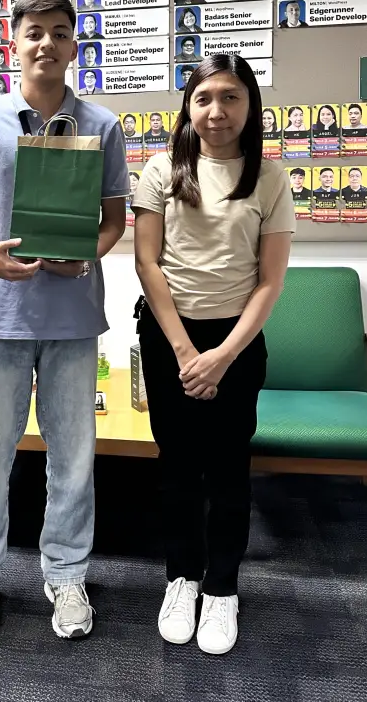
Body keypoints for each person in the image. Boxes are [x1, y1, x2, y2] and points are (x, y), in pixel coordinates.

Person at [0, 0, 128, 648]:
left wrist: (86, 257)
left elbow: (114, 221)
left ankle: (67, 574)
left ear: (73, 45)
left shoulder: (102, 125)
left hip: (73, 313)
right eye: (33, 32)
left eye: (59, 32)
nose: (45, 43)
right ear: (13, 42)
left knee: (73, 460)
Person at [132, 53, 295, 656]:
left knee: (228, 469)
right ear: (188, 105)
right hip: (168, 335)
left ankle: (222, 587)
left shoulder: (270, 177)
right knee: (177, 467)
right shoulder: (160, 169)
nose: (216, 110)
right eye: (204, 98)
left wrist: (222, 355)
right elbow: (148, 262)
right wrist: (183, 351)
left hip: (238, 341)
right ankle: (181, 578)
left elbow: (269, 282)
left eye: (230, 97)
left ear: (249, 106)